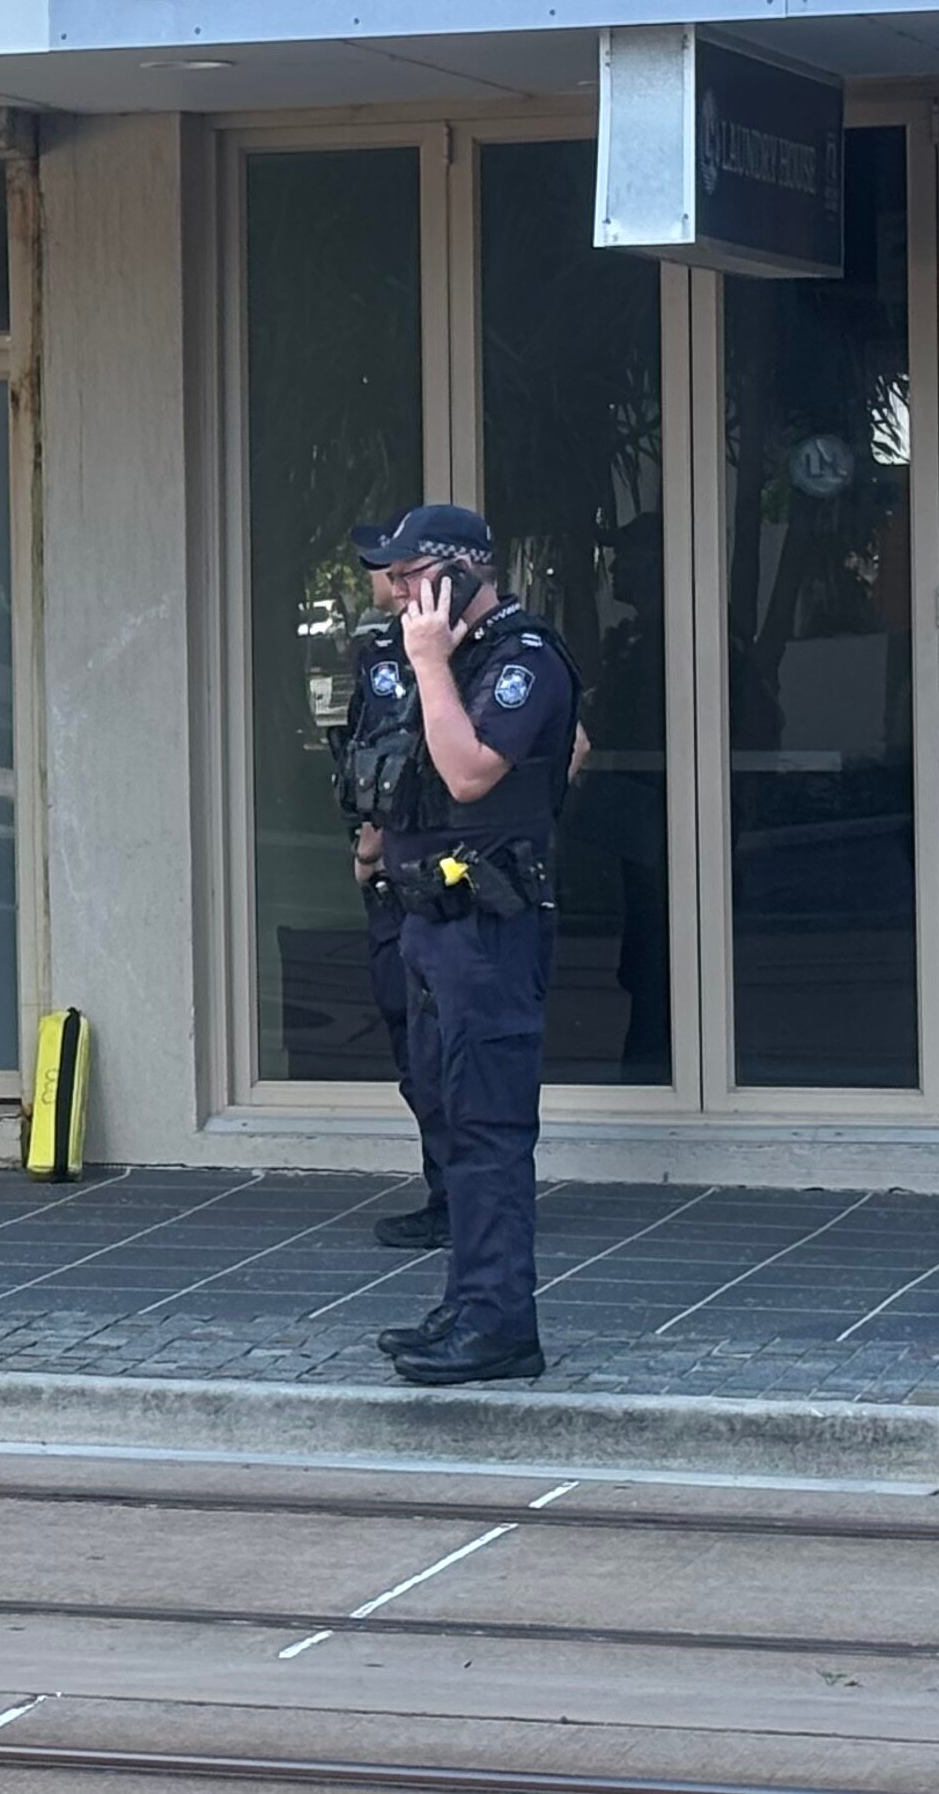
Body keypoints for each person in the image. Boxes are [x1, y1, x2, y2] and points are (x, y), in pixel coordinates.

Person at [360, 504, 582, 1385]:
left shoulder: (521, 658)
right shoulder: (459, 659)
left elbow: (469, 772)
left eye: (413, 577)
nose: (402, 596)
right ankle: (470, 1302)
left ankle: (500, 1326)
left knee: (489, 1129)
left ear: (456, 574)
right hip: (431, 923)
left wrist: (428, 662)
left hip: (488, 930)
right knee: (451, 1118)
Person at [329, 535, 450, 1252]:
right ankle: (447, 1194)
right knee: (412, 1047)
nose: (385, 579)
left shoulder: (474, 649)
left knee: (443, 1049)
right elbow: (365, 754)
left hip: (432, 876)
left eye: (398, 567)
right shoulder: (376, 652)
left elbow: (568, 745)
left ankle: (464, 1199)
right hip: (387, 878)